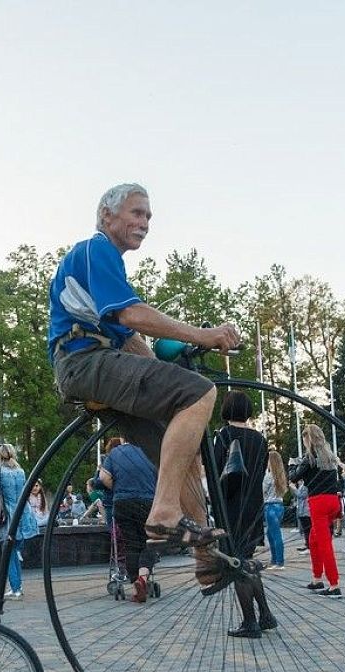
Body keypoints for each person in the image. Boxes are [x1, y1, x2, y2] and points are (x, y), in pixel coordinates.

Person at [49, 183, 240, 550]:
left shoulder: (107, 269)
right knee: (200, 391)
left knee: (179, 447)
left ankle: (208, 559)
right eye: (137, 213)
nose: (145, 222)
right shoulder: (95, 250)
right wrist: (204, 335)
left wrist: (166, 374)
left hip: (96, 364)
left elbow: (129, 338)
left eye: (149, 216)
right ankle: (164, 511)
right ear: (107, 214)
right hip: (83, 362)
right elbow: (132, 314)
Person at [100, 435, 162, 603]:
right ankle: (143, 578)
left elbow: (103, 478)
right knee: (150, 541)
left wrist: (119, 488)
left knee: (131, 543)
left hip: (122, 502)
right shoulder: (151, 451)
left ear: (122, 437)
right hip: (148, 502)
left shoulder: (115, 453)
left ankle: (136, 581)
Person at [212, 391, 270, 565]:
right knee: (246, 558)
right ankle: (254, 590)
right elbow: (262, 470)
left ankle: (244, 589)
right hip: (253, 504)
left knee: (233, 560)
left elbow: (215, 468)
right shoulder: (260, 438)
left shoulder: (223, 435)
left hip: (230, 504)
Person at [288, 424, 344, 598]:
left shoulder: (309, 457)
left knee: (324, 544)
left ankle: (334, 585)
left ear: (308, 439)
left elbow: (294, 477)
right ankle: (316, 578)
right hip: (333, 501)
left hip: (318, 502)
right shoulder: (330, 457)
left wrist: (291, 466)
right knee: (313, 540)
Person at [0, 443, 37, 599]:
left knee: (9, 553)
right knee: (14, 551)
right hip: (23, 513)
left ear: (0, 456)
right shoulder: (21, 472)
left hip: (7, 515)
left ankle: (15, 587)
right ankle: (17, 585)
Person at [261, 446, 289, 570]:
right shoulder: (281, 476)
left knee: (274, 534)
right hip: (279, 506)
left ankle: (279, 562)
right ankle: (275, 560)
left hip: (270, 506)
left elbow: (262, 491)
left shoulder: (268, 476)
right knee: (271, 533)